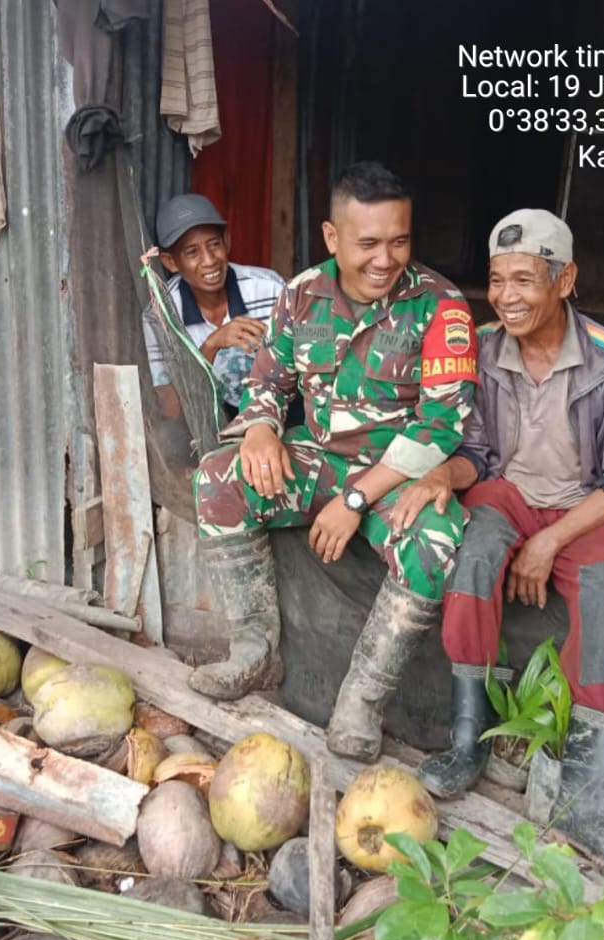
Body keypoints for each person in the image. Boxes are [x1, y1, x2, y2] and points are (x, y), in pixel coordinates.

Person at [190, 161, 479, 762]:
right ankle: (254, 649)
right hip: (317, 461)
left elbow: (440, 426)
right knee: (219, 479)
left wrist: (356, 501)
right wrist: (263, 428)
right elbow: (268, 380)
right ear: (332, 238)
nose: (385, 258)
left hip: (393, 477)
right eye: (368, 243)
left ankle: (362, 701)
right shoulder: (302, 295)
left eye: (399, 241)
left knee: (435, 541)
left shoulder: (442, 307)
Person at [396, 209, 604, 865]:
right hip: (508, 494)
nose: (507, 296)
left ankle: (588, 802)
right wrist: (441, 476)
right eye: (497, 279)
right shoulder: (482, 347)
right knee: (476, 554)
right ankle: (469, 736)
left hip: (584, 507)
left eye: (524, 280)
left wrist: (547, 544)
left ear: (564, 279)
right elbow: (476, 455)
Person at [142, 194, 285, 420]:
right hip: (208, 428)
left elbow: (322, 336)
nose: (209, 260)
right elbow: (170, 410)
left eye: (214, 245)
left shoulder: (269, 288)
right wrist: (211, 346)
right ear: (171, 262)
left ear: (227, 241)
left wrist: (281, 336)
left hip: (278, 415)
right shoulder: (160, 315)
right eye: (192, 252)